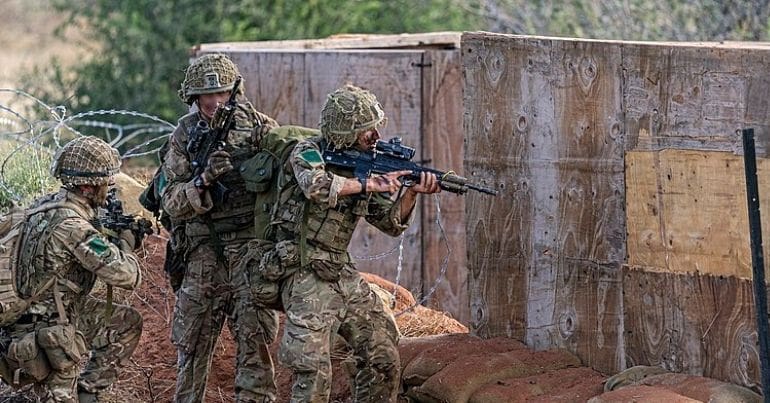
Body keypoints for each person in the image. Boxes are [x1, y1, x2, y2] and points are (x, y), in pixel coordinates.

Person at [266, 84, 441, 402]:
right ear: (345, 130)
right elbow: (316, 187)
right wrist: (368, 183)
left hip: (338, 268)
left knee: (382, 352)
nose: (374, 135)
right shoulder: (308, 152)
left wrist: (412, 191)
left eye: (375, 127)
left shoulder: (364, 162)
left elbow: (389, 224)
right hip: (301, 266)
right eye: (365, 129)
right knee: (312, 369)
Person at [160, 53, 280, 402]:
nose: (214, 102)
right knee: (192, 346)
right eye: (205, 96)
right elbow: (170, 201)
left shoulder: (260, 127)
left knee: (255, 345)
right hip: (203, 254)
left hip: (249, 250)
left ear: (234, 92)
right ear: (193, 98)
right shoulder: (184, 135)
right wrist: (202, 181)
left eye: (222, 93)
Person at [0, 136, 143, 402]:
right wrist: (126, 242)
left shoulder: (43, 205)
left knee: (126, 321)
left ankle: (88, 393)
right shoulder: (73, 227)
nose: (110, 188)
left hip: (29, 319)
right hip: (48, 333)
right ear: (88, 186)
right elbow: (127, 275)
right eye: (106, 182)